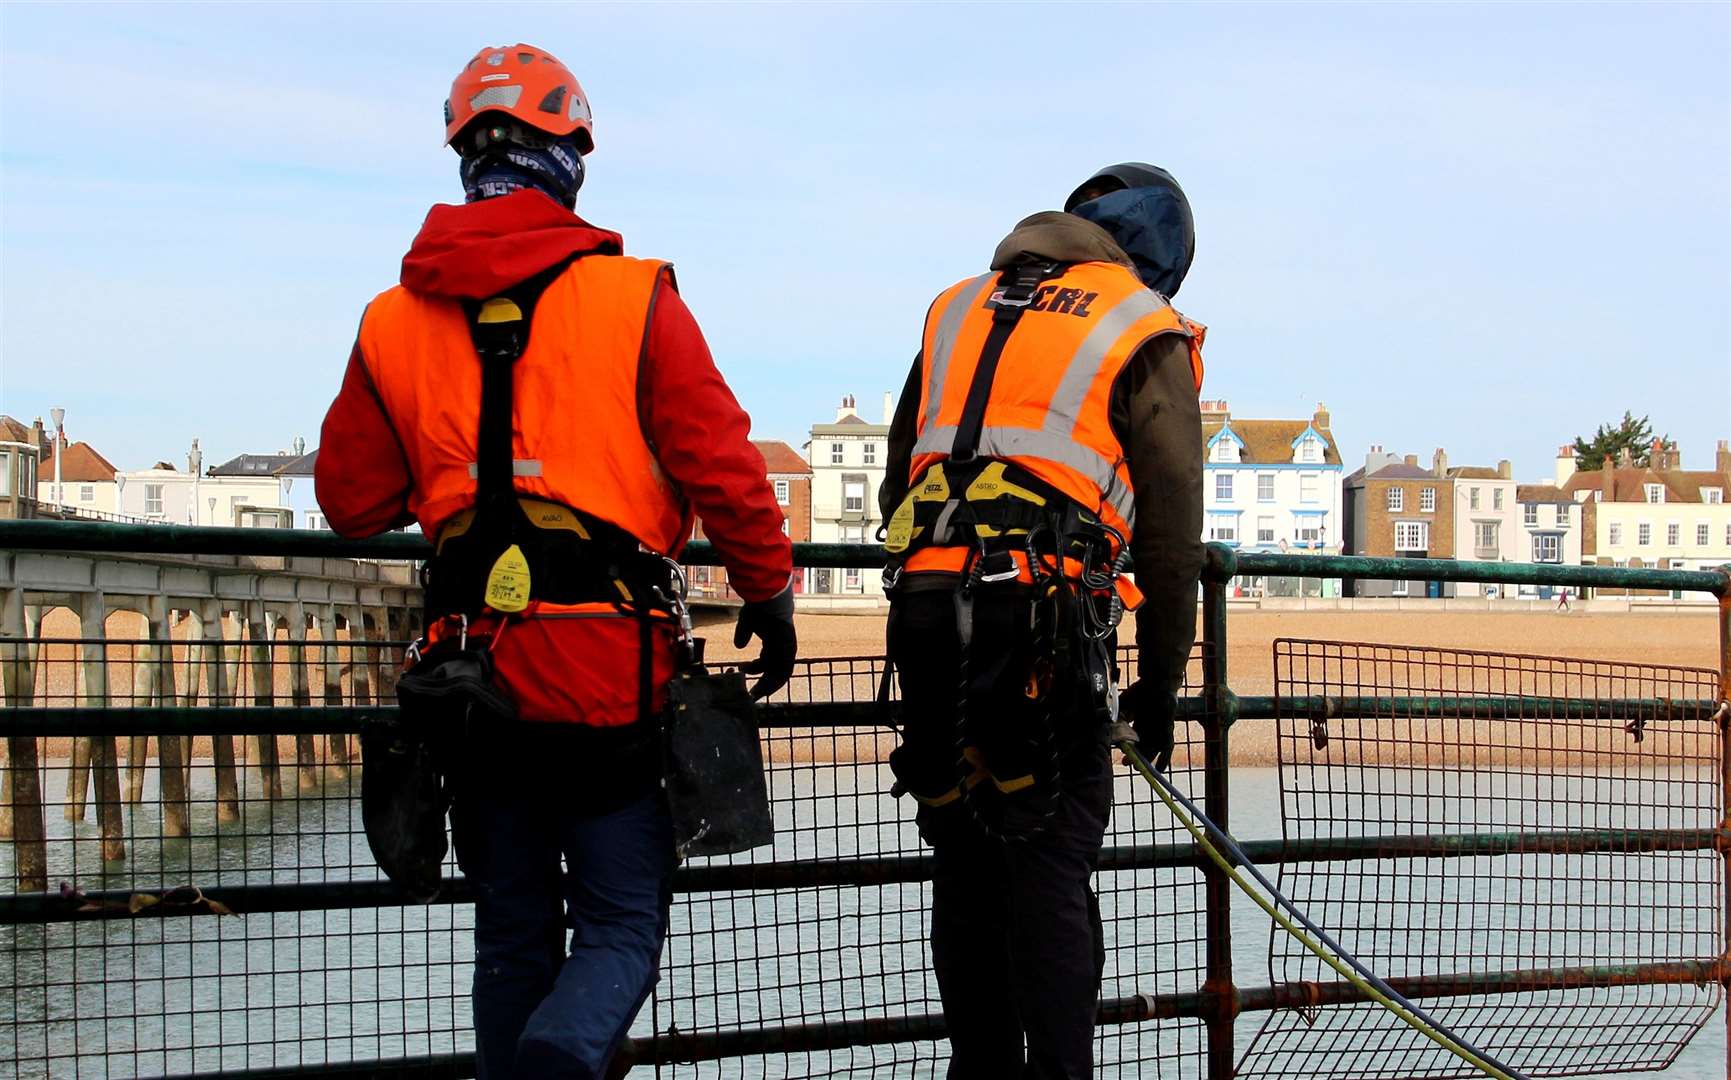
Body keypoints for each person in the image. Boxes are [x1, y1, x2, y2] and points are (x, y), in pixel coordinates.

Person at [314, 43, 796, 1080]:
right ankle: (563, 1060)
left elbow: (352, 505)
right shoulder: (634, 299)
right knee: (622, 926)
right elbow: (723, 467)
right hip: (605, 674)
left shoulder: (391, 320)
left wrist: (447, 471)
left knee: (511, 939)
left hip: (470, 676)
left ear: (464, 155)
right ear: (567, 151)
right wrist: (771, 591)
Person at [878, 162, 1206, 1079]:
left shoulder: (956, 307)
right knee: (1052, 876)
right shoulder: (1141, 323)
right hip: (1043, 625)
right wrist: (1161, 680)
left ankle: (978, 1073)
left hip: (928, 613)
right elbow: (1173, 532)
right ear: (1158, 258)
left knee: (965, 865)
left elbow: (895, 479)